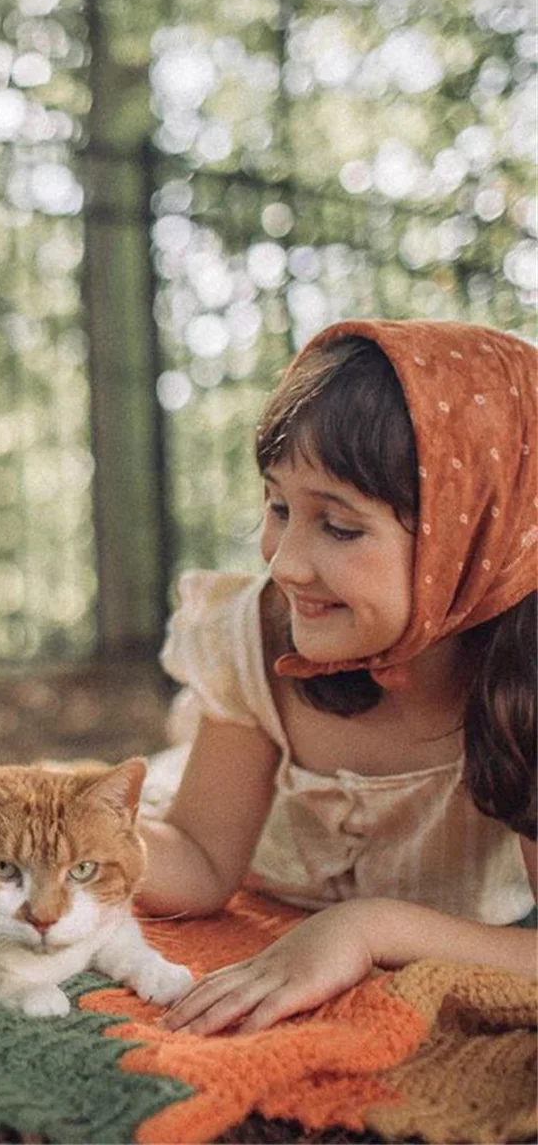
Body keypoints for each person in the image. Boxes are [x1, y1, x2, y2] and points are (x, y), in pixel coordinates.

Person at [137, 319, 537, 1036]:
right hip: (237, 846)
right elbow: (199, 859)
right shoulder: (258, 635)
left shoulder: (524, 688)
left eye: (341, 527)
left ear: (473, 533)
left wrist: (366, 929)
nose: (284, 562)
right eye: (279, 507)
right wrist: (57, 842)